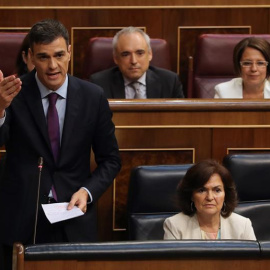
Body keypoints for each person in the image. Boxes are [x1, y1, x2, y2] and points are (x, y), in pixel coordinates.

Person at [0, 19, 121, 270]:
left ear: (69, 52)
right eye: (43, 57)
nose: (52, 65)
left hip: (73, 217)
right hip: (23, 219)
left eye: (58, 55)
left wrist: (87, 192)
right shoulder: (13, 94)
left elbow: (111, 160)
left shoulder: (92, 96)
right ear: (30, 57)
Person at [163, 160, 256, 240]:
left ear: (225, 195)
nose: (210, 197)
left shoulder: (243, 225)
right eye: (202, 190)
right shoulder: (175, 226)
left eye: (217, 190)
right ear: (191, 195)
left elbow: (254, 261)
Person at [90, 27, 184, 99]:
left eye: (140, 53)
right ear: (116, 58)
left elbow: (181, 119)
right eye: (126, 54)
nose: (134, 61)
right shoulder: (99, 84)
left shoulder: (170, 82)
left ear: (150, 54)